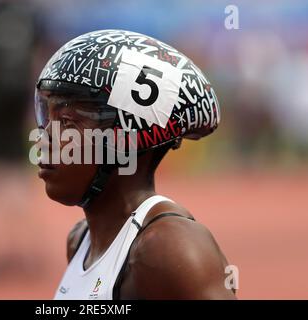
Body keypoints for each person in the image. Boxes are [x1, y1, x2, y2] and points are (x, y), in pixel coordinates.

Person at [34, 30, 235, 299]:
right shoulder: (80, 240)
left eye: (68, 122)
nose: (44, 138)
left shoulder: (170, 248)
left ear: (125, 141)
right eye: (46, 117)